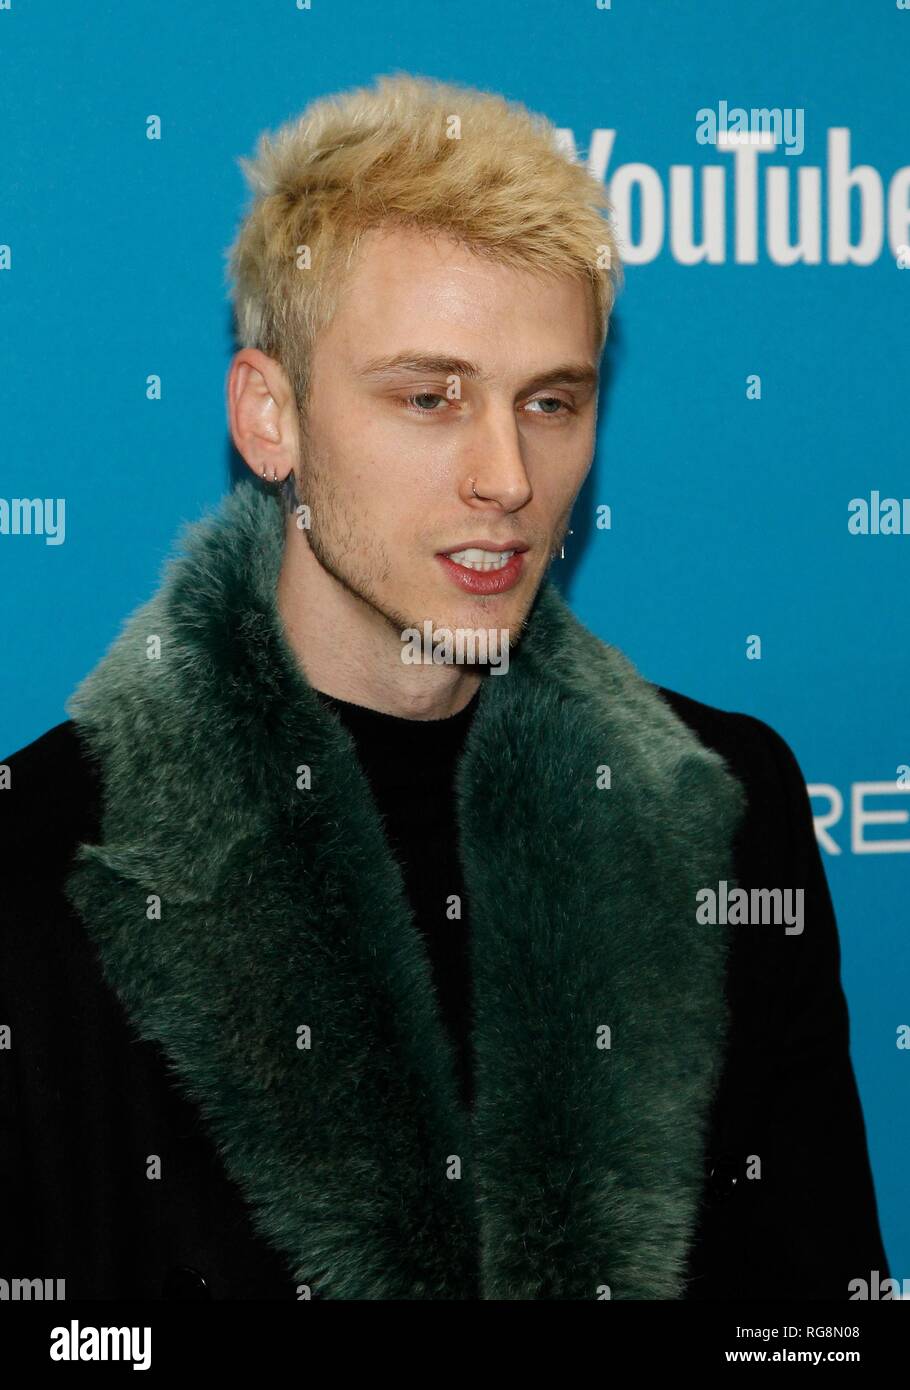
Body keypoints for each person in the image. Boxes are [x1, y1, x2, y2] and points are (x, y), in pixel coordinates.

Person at [0, 73, 889, 1300]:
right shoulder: (44, 848)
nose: (506, 476)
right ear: (271, 416)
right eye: (431, 398)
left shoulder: (725, 804)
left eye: (550, 402)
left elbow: (812, 1317)